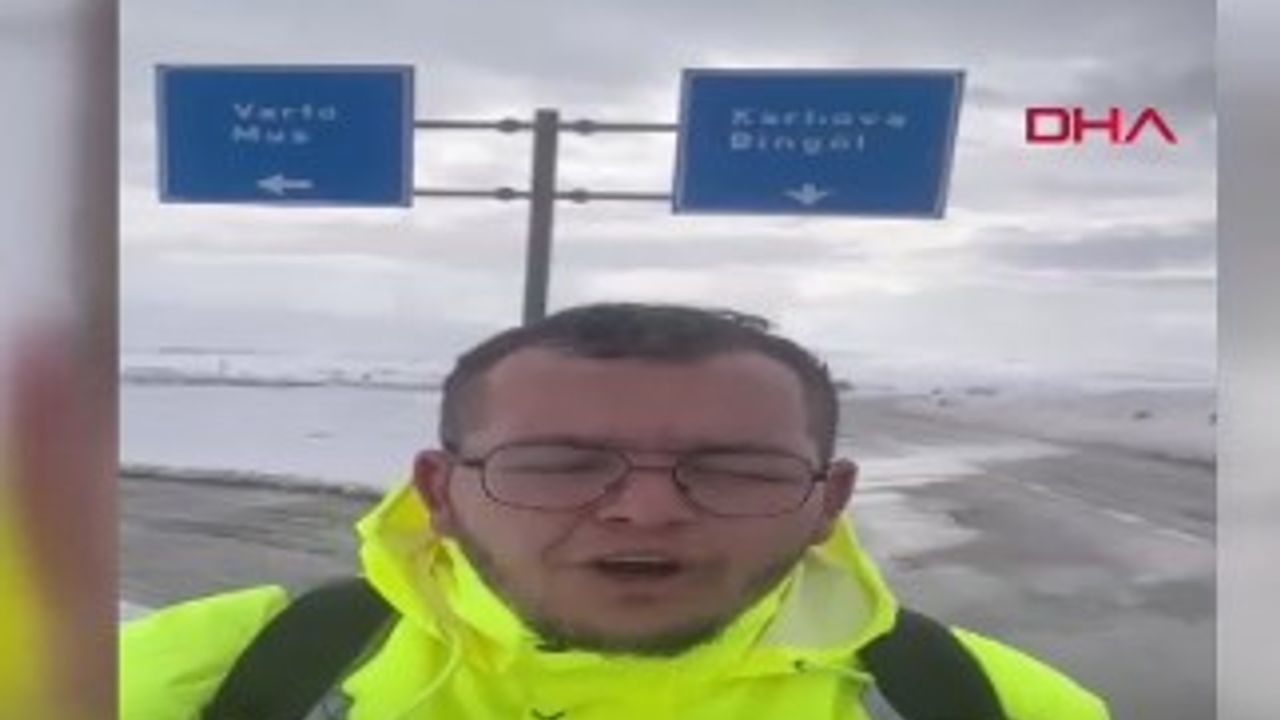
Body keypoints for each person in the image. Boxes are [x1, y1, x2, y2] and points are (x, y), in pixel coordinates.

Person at [121, 303, 1110, 719]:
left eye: (735, 469)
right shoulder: (224, 674)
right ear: (439, 492)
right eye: (559, 464)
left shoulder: (978, 703)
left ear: (828, 503)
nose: (644, 511)